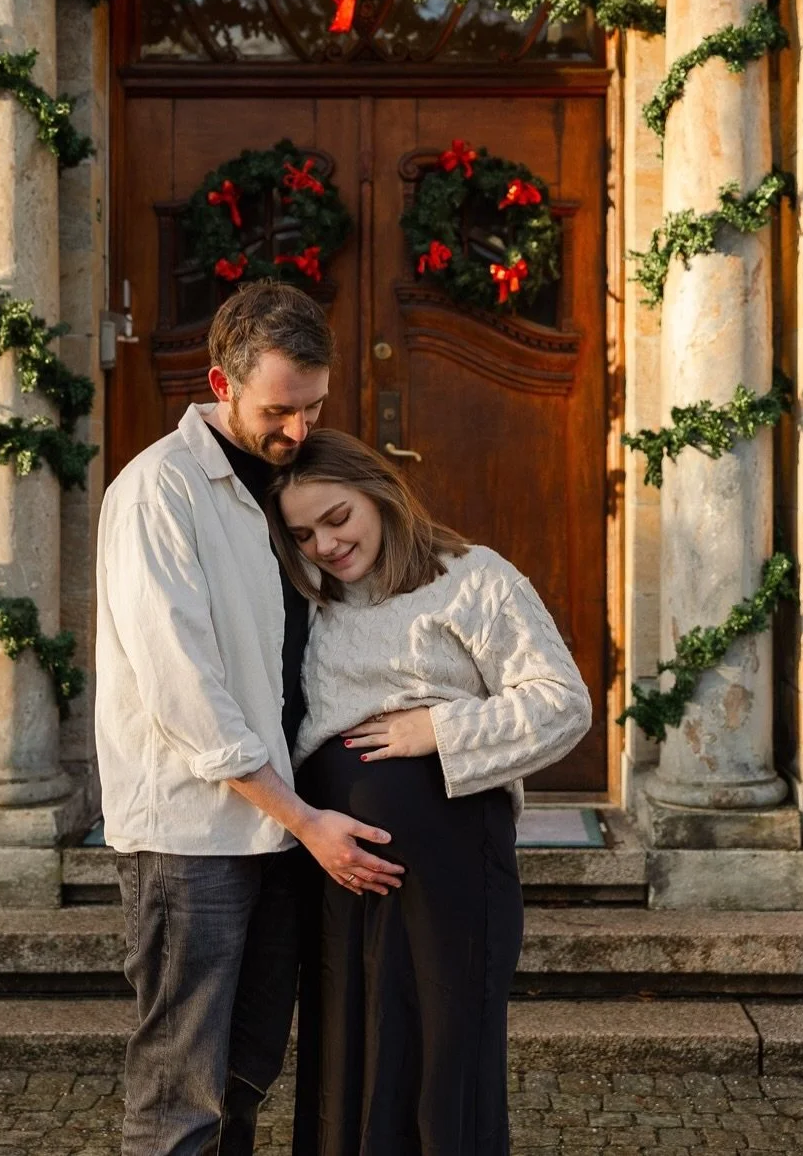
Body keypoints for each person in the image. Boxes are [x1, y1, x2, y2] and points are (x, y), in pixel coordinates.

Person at [95, 282, 405, 1156]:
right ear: (219, 383)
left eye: (314, 407)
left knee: (244, 1071)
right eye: (280, 409)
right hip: (193, 838)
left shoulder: (289, 487)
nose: (300, 430)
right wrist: (306, 821)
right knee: (180, 1089)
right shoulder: (159, 492)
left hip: (277, 828)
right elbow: (183, 689)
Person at [268, 429, 593, 1156]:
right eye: (303, 533)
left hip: (452, 863)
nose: (323, 543)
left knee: (445, 1062)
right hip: (337, 865)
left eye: (337, 517)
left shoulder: (473, 578)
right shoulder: (305, 601)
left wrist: (439, 730)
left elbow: (562, 703)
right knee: (347, 1055)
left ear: (378, 493)